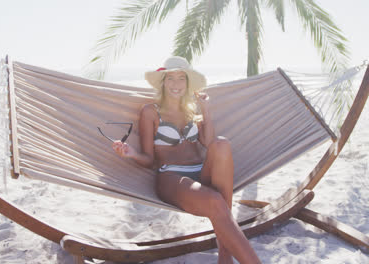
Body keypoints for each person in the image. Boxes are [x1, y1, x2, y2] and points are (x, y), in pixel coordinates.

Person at [111, 56, 261, 264]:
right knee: (216, 201)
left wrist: (206, 110)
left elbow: (209, 143)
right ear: (163, 82)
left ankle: (225, 255)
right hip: (171, 177)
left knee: (222, 144)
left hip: (201, 172)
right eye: (170, 79)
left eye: (181, 79)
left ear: (188, 83)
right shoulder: (150, 112)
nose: (176, 84)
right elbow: (149, 159)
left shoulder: (193, 109)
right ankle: (229, 255)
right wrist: (132, 153)